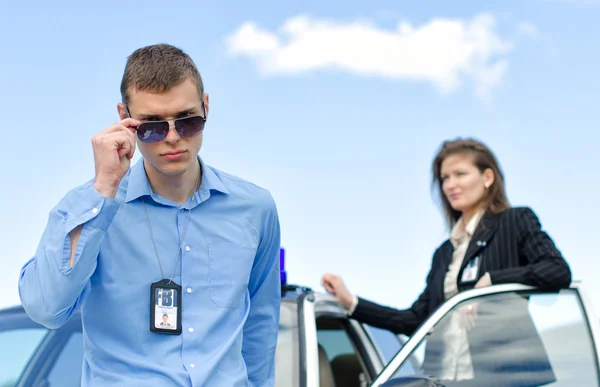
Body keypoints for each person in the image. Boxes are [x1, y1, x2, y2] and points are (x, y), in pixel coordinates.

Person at [18, 43, 281, 386]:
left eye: (187, 122)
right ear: (124, 119)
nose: (172, 139)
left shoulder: (255, 208)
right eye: (152, 126)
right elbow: (45, 309)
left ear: (205, 107)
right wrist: (104, 187)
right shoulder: (90, 206)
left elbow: (260, 327)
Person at [322, 137, 571, 386]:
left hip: (501, 376)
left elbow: (557, 271)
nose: (450, 185)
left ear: (487, 178)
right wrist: (351, 301)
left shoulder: (514, 221)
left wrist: (492, 283)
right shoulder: (443, 253)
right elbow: (415, 320)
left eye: (460, 174)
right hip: (445, 380)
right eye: (444, 178)